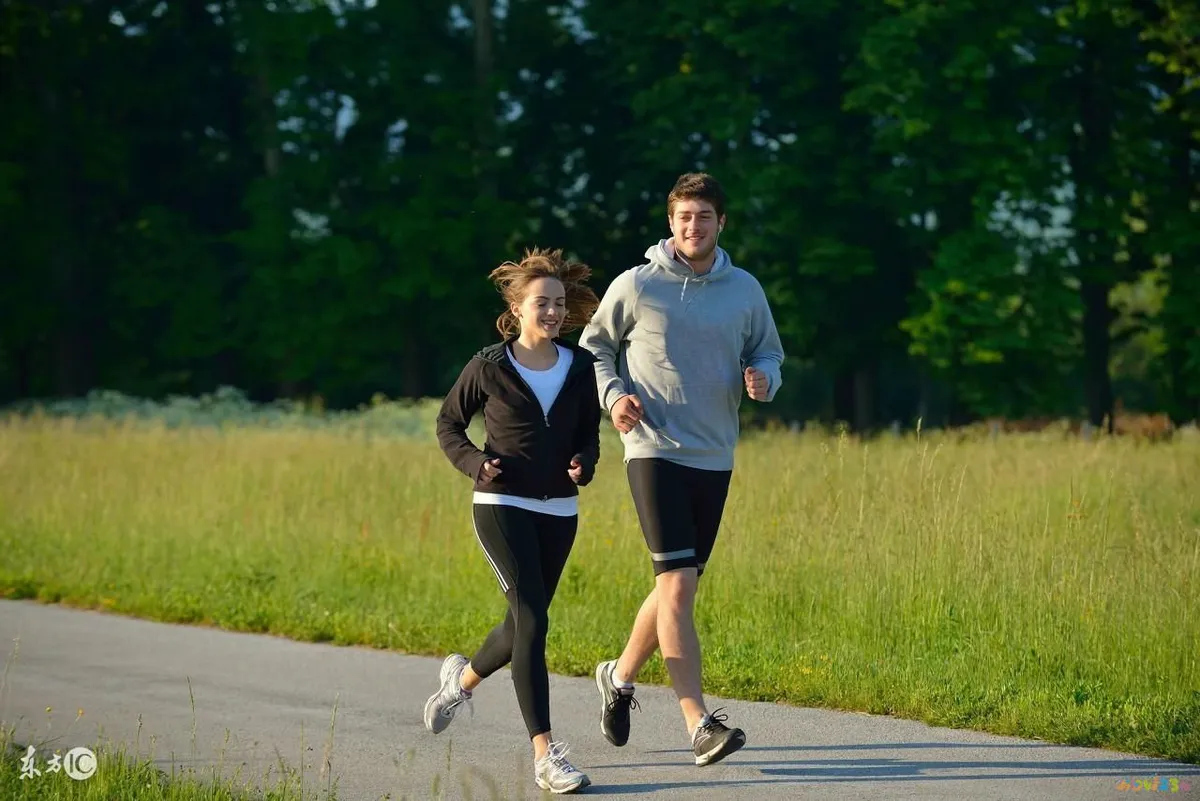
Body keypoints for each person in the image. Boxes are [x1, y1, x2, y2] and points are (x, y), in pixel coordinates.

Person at [578, 172, 785, 767]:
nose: (693, 226)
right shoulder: (637, 285)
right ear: (670, 223)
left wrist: (764, 379)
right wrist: (614, 396)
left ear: (722, 223)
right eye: (683, 217)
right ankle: (699, 722)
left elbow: (768, 351)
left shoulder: (744, 290)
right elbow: (596, 347)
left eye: (704, 217)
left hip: (714, 453)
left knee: (677, 582)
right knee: (678, 585)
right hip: (652, 448)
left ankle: (617, 678)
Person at [426, 247, 602, 795]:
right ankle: (546, 754)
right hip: (501, 504)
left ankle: (462, 680)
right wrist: (477, 464)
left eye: (558, 303)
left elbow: (589, 436)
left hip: (559, 509)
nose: (551, 312)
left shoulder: (581, 368)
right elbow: (449, 425)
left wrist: (585, 463)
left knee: (523, 621)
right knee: (533, 619)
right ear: (517, 308)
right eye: (540, 303)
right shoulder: (489, 365)